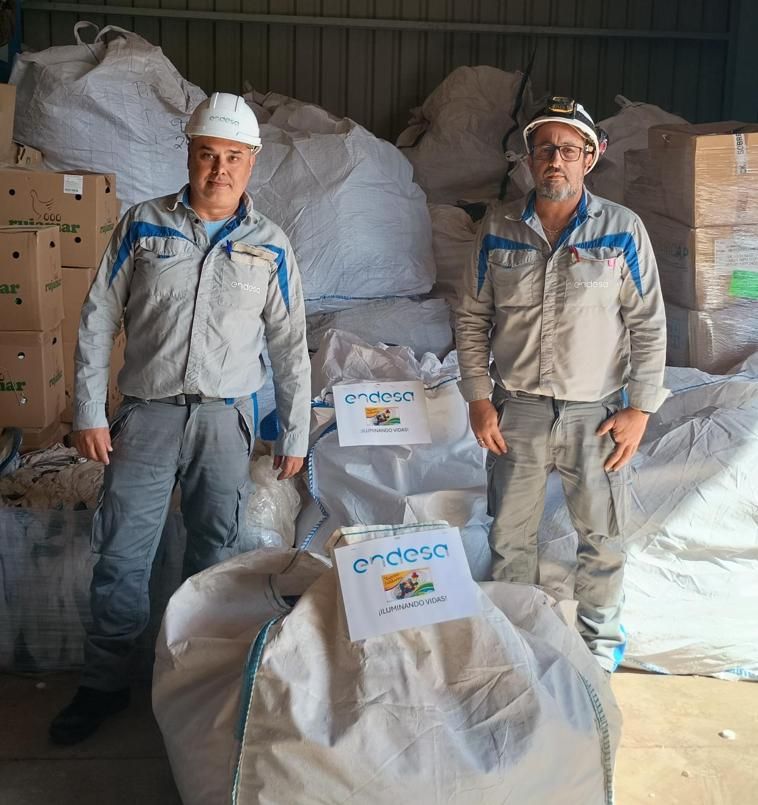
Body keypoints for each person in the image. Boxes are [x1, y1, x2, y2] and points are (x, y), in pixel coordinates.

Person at [49, 93, 311, 744]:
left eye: (232, 157)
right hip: (147, 417)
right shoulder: (142, 224)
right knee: (121, 555)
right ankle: (106, 683)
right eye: (206, 154)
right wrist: (89, 409)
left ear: (251, 163)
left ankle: (195, 680)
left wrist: (297, 432)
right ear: (189, 156)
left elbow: (289, 345)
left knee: (214, 557)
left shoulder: (270, 246)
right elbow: (97, 317)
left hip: (226, 423)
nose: (218, 169)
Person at [456, 96, 668, 674]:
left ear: (590, 159)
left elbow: (648, 323)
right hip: (517, 410)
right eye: (545, 148)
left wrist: (641, 408)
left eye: (569, 150)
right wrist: (478, 396)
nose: (556, 159)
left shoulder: (623, 230)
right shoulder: (498, 228)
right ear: (528, 158)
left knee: (601, 538)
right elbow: (472, 317)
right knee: (510, 537)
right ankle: (519, 646)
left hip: (595, 415)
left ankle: (598, 655)